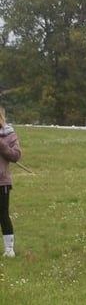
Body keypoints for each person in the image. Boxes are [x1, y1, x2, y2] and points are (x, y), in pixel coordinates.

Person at [0, 107, 21, 258]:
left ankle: (9, 249)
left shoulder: (9, 134)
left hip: (2, 183)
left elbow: (16, 155)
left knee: (3, 214)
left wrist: (2, 145)